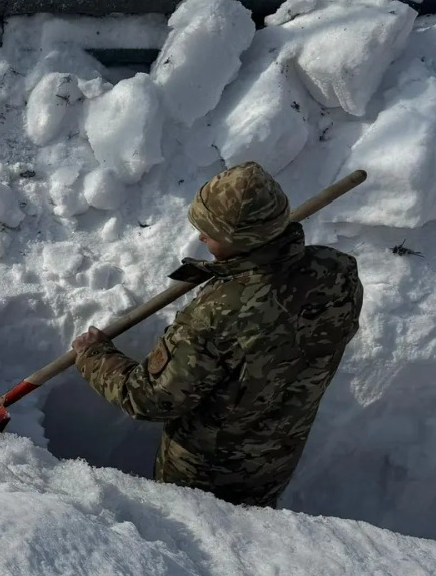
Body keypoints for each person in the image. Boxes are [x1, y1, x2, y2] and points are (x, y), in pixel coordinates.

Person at [70, 161, 362, 508]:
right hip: (279, 453)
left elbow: (149, 399)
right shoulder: (337, 270)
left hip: (203, 474)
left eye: (210, 232)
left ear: (242, 240)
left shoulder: (219, 315)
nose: (200, 237)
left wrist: (95, 356)